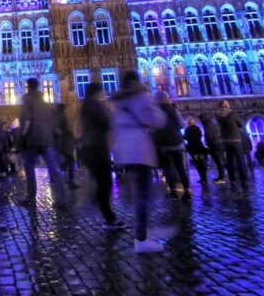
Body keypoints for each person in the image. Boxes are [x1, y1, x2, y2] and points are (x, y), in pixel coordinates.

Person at [110, 71, 167, 252]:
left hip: (125, 151)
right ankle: (142, 237)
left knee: (140, 192)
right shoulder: (141, 97)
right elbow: (158, 120)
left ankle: (143, 232)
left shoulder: (117, 102)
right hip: (140, 149)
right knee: (144, 194)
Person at [78, 82, 123, 229]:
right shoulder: (94, 105)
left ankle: (105, 211)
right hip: (96, 146)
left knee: (102, 181)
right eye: (101, 91)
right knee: (105, 181)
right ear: (96, 92)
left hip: (92, 146)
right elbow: (105, 122)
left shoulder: (87, 105)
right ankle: (107, 215)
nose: (103, 94)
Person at [18, 78, 67, 207]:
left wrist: (22, 137)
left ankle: (30, 197)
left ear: (28, 87)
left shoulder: (27, 100)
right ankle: (61, 199)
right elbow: (54, 124)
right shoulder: (46, 103)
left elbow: (27, 121)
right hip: (47, 140)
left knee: (29, 167)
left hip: (32, 139)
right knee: (53, 169)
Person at [154, 91, 190, 199]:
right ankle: (187, 191)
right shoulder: (173, 110)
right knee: (181, 168)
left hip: (163, 145)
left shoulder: (155, 112)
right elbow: (182, 125)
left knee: (168, 168)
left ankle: (173, 191)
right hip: (177, 143)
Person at [217, 101, 249, 192]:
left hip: (226, 140)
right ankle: (244, 180)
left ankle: (232, 179)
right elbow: (241, 123)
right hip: (235, 139)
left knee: (229, 161)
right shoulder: (232, 113)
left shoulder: (219, 115)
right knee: (240, 161)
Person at [54, 103, 79, 189]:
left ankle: (62, 180)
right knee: (70, 163)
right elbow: (69, 130)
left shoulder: (56, 117)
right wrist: (74, 138)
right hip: (66, 144)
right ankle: (70, 182)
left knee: (63, 163)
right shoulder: (64, 117)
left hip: (61, 145)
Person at [201, 112, 227, 183]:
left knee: (218, 161)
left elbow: (209, 136)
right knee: (221, 160)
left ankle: (221, 177)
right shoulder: (213, 123)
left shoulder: (207, 125)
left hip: (214, 145)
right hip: (219, 143)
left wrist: (207, 144)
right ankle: (223, 175)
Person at [183, 117, 209, 184]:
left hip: (192, 147)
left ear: (188, 123)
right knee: (202, 162)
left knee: (197, 163)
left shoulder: (187, 129)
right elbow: (200, 136)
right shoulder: (198, 128)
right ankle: (205, 177)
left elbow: (185, 137)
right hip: (199, 146)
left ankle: (201, 178)